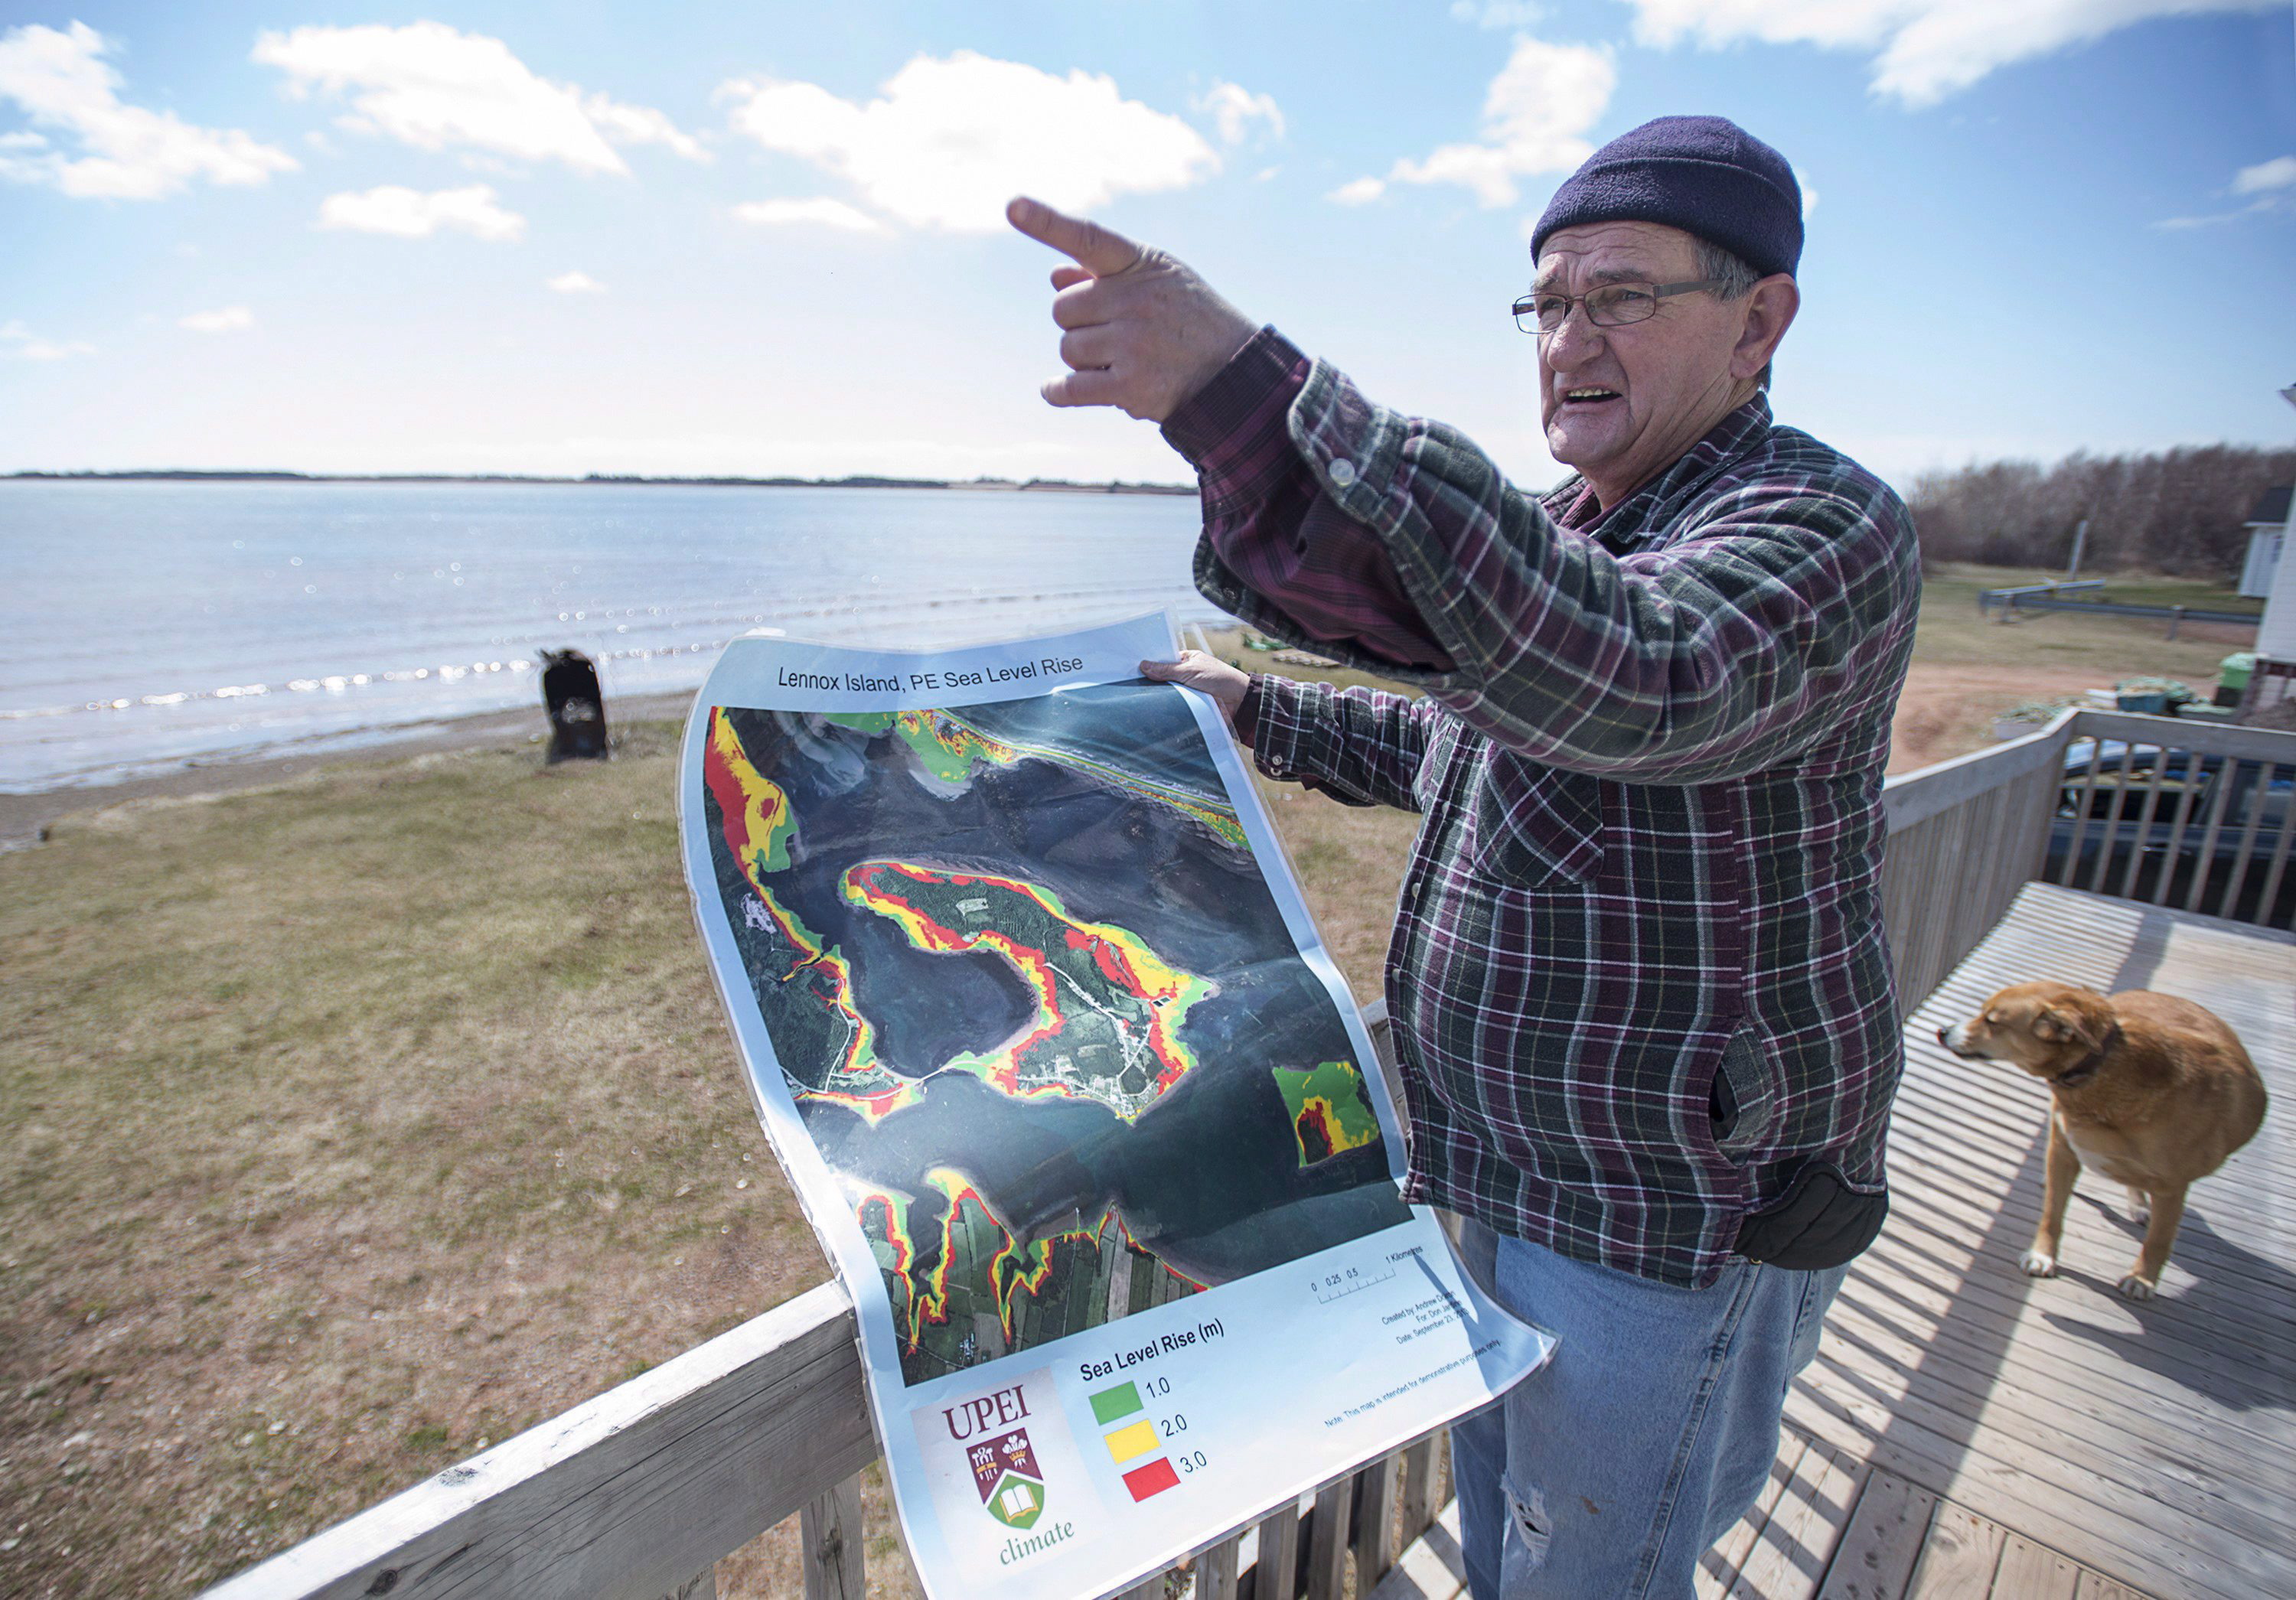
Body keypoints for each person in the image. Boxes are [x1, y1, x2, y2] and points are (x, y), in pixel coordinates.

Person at [1008, 114, 1920, 1598]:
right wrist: (1255, 710)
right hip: (1494, 1163)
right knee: (1513, 1535)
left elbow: (1640, 678)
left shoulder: (1823, 526)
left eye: (1619, 295)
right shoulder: (1574, 531)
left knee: (1596, 1571)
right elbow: (1468, 748)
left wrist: (1248, 391)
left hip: (1661, 1208)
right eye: (1548, 302)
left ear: (1761, 320)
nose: (1568, 338)